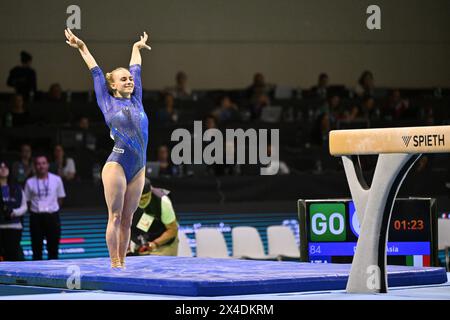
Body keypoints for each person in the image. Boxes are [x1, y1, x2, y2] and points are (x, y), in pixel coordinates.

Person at [65, 28, 151, 268]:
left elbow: (136, 68)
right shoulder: (107, 101)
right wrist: (82, 48)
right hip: (118, 165)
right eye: (123, 79)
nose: (129, 81)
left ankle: (123, 263)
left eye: (130, 79)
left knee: (128, 219)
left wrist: (136, 47)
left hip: (139, 167)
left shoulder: (137, 99)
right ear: (112, 85)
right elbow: (94, 72)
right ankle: (114, 263)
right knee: (114, 216)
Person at [24, 155, 66, 260]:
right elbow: (27, 201)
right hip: (36, 218)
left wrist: (51, 209)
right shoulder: (29, 182)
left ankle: (55, 275)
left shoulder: (56, 179)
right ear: (35, 166)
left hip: (52, 217)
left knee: (53, 250)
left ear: (47, 165)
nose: (41, 166)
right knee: (36, 250)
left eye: (43, 163)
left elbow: (60, 198)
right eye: (38, 164)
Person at [128, 178, 179, 256]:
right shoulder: (125, 201)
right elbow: (123, 227)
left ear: (150, 192)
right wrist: (127, 248)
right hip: (142, 240)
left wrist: (154, 244)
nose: (142, 201)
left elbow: (172, 230)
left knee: (161, 267)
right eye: (139, 198)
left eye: (145, 197)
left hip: (164, 243)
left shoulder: (163, 201)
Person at [0, 160, 27, 261]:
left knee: (13, 257)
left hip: (14, 227)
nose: (3, 169)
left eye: (5, 167)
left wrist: (14, 212)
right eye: (0, 167)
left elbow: (24, 207)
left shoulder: (17, 188)